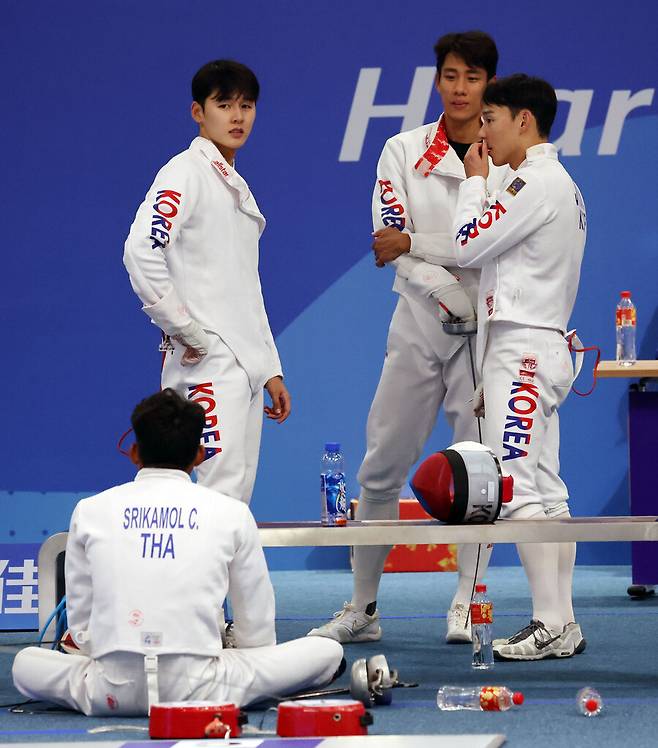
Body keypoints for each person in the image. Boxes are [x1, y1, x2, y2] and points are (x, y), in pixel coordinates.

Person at [308, 31, 507, 645]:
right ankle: (363, 607)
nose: (458, 88)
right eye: (449, 75)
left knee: (477, 474)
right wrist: (446, 287)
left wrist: (422, 245)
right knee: (381, 466)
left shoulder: (507, 154)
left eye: (471, 78)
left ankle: (467, 603)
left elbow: (493, 240)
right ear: (437, 79)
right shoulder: (401, 149)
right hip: (421, 322)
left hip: (485, 333)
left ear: (487, 84)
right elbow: (387, 240)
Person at [12, 390, 343, 715]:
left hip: (109, 691)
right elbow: (256, 633)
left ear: (135, 453)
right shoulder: (231, 512)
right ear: (200, 454)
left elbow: (82, 629)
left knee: (25, 664)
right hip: (206, 690)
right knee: (326, 651)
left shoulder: (90, 510)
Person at [453, 74, 587, 659]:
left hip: (525, 350)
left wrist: (474, 184)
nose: (482, 131)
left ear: (523, 120)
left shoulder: (533, 182)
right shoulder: (558, 183)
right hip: (537, 345)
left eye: (491, 119)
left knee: (518, 488)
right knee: (548, 491)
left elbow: (466, 245)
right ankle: (565, 621)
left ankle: (548, 621)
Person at [123, 60, 290, 505]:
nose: (237, 117)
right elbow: (141, 251)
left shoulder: (230, 181)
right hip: (208, 362)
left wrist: (268, 365)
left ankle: (224, 578)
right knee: (220, 497)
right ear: (198, 112)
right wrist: (187, 329)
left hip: (240, 363)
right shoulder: (184, 173)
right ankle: (193, 577)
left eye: (246, 105)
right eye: (224, 104)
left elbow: (242, 287)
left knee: (233, 496)